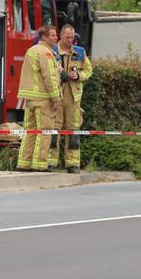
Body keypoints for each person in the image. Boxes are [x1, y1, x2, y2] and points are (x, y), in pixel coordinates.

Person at [48, 24, 92, 173]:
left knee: (73, 133)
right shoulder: (52, 51)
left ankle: (72, 164)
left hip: (74, 98)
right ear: (61, 35)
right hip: (57, 96)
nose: (70, 40)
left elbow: (88, 70)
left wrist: (79, 75)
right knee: (54, 131)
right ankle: (51, 162)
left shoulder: (79, 52)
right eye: (68, 37)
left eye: (72, 37)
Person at [16, 24, 60, 172]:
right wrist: (56, 98)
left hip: (30, 100)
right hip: (43, 99)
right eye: (53, 35)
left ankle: (24, 163)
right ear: (44, 37)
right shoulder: (46, 53)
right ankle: (40, 164)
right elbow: (50, 77)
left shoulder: (31, 50)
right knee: (45, 132)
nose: (56, 38)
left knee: (30, 131)